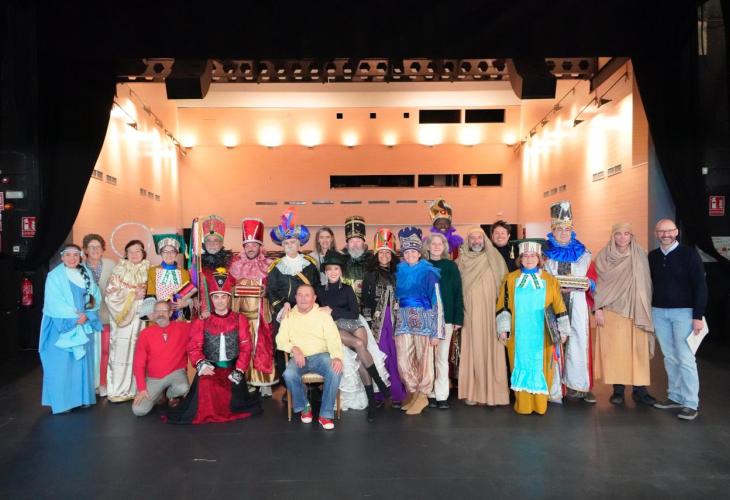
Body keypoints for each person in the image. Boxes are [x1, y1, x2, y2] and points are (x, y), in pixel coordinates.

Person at [165, 269, 260, 424]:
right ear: (211, 298)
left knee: (234, 395)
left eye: (223, 296)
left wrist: (239, 370)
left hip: (233, 369)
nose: (220, 301)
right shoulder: (202, 321)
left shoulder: (239, 319)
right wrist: (202, 365)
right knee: (206, 385)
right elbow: (193, 346)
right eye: (216, 297)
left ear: (228, 298)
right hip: (210, 368)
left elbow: (245, 348)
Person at [496, 240, 570, 415]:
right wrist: (503, 328)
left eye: (533, 256)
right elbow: (503, 304)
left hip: (543, 335)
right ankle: (523, 405)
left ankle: (540, 405)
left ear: (539, 258)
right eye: (525, 256)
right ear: (520, 259)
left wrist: (563, 330)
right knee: (519, 364)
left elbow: (559, 305)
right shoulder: (510, 279)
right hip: (518, 335)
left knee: (542, 368)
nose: (529, 259)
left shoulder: (550, 280)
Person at [317, 250, 391, 422]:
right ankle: (379, 384)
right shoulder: (319, 290)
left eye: (336, 268)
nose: (333, 272)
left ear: (341, 271)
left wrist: (332, 310)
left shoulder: (347, 288)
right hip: (335, 327)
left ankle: (372, 403)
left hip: (354, 323)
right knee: (358, 344)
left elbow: (354, 313)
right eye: (329, 269)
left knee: (361, 355)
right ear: (325, 272)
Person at [649, 219, 708, 421]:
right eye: (661, 231)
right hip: (659, 313)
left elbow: (700, 285)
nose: (665, 234)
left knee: (685, 358)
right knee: (669, 357)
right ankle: (675, 396)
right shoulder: (653, 256)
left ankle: (690, 402)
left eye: (669, 231)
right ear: (656, 234)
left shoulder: (689, 255)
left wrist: (697, 316)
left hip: (684, 313)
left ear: (676, 232)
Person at [593, 222, 657, 406]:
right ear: (612, 236)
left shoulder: (641, 254)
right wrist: (597, 309)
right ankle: (618, 390)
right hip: (612, 310)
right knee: (616, 352)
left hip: (637, 310)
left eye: (626, 234)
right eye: (618, 234)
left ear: (631, 236)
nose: (622, 237)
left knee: (638, 350)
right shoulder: (603, 256)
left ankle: (640, 390)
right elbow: (596, 285)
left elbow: (647, 282)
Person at [543, 201, 597, 404]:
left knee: (578, 342)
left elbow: (593, 278)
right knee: (553, 341)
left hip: (578, 304)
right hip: (551, 304)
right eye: (559, 229)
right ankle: (555, 386)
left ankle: (578, 387)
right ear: (553, 231)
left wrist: (587, 284)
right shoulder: (544, 253)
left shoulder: (584, 253)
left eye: (567, 229)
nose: (563, 233)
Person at [39, 243, 102, 414]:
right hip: (62, 326)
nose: (72, 258)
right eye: (68, 255)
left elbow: (95, 296)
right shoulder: (54, 276)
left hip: (83, 322)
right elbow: (54, 303)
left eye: (75, 255)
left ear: (80, 257)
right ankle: (63, 402)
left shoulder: (85, 272)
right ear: (62, 257)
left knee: (80, 363)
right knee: (62, 364)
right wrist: (76, 318)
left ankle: (81, 399)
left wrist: (87, 315)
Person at [277, 284, 344, 430]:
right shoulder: (288, 316)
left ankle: (325, 414)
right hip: (300, 358)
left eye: (307, 295)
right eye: (300, 295)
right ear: (295, 297)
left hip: (321, 356)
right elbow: (280, 340)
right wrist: (294, 348)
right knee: (289, 374)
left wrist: (337, 357)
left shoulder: (323, 315)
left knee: (336, 370)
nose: (303, 298)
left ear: (314, 298)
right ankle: (304, 406)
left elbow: (333, 338)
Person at [394, 226, 445, 415]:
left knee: (425, 360)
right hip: (403, 322)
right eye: (406, 252)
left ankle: (423, 394)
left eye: (413, 252)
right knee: (403, 361)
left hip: (424, 321)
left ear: (419, 253)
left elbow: (437, 302)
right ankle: (414, 391)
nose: (410, 255)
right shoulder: (399, 272)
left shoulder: (429, 273)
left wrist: (436, 332)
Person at [456, 227, 509, 407]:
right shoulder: (461, 261)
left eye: (479, 237)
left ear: (485, 239)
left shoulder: (495, 257)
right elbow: (456, 289)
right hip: (470, 313)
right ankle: (473, 392)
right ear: (468, 241)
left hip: (492, 312)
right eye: (472, 238)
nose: (476, 241)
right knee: (472, 350)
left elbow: (505, 285)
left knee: (493, 349)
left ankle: (494, 394)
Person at [267, 209, 320, 376]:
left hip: (307, 312)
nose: (290, 246)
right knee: (283, 347)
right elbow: (271, 291)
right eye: (286, 243)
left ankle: (312, 384)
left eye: (293, 242)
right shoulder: (276, 266)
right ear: (283, 246)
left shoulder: (309, 264)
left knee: (309, 345)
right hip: (285, 312)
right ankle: (287, 381)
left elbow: (316, 287)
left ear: (299, 244)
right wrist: (281, 307)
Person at [229, 218, 276, 397]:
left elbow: (275, 289)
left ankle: (264, 382)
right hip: (241, 316)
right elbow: (227, 288)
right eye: (247, 245)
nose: (250, 248)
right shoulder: (235, 266)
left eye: (254, 245)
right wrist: (233, 291)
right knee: (244, 348)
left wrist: (267, 291)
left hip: (260, 316)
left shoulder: (268, 265)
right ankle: (247, 380)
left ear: (259, 246)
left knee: (262, 348)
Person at [362, 228, 407, 408]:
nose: (384, 256)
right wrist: (367, 322)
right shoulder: (369, 275)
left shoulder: (399, 274)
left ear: (392, 255)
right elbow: (365, 301)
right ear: (376, 254)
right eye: (381, 252)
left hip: (397, 321)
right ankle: (379, 395)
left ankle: (397, 394)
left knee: (396, 357)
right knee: (379, 356)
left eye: (387, 253)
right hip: (377, 323)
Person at [104, 240, 150, 403]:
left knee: (141, 352)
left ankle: (139, 388)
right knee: (121, 352)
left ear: (143, 253)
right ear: (126, 254)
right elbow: (110, 295)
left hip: (143, 319)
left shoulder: (149, 270)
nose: (134, 254)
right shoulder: (118, 271)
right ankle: (118, 390)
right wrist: (132, 295)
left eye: (138, 251)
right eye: (131, 251)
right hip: (123, 319)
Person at [423, 232, 464, 409]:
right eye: (433, 243)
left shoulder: (450, 266)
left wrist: (458, 318)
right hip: (426, 319)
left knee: (441, 357)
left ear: (444, 247)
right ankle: (429, 393)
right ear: (428, 246)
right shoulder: (422, 265)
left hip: (446, 318)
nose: (436, 246)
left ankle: (441, 395)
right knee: (428, 358)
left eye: (440, 243)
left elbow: (457, 292)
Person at [131, 301, 190, 416]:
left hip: (175, 373)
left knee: (183, 388)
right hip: (154, 377)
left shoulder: (182, 328)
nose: (160, 314)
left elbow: (201, 324)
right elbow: (139, 363)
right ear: (153, 314)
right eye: (157, 311)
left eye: (164, 311)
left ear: (170, 313)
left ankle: (170, 395)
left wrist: (188, 305)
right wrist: (142, 389)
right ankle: (159, 395)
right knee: (138, 410)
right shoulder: (145, 334)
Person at [82, 233, 116, 397]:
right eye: (91, 247)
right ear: (85, 250)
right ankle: (90, 385)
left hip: (107, 316)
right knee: (89, 353)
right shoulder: (79, 267)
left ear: (103, 249)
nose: (95, 250)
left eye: (98, 247)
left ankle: (103, 383)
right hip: (87, 319)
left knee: (105, 352)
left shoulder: (111, 265)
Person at [146, 234, 196, 320]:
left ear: (176, 253)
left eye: (172, 251)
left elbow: (188, 296)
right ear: (160, 253)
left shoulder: (184, 273)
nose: (169, 254)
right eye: (165, 251)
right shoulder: (152, 271)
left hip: (178, 316)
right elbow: (150, 296)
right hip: (159, 315)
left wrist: (185, 303)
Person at [198, 214, 233, 318]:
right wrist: (194, 299)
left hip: (227, 315)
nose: (212, 244)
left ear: (221, 243)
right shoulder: (197, 264)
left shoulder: (232, 263)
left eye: (216, 240)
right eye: (208, 240)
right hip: (204, 315)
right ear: (204, 243)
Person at [341, 215, 372, 304]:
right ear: (347, 244)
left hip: (368, 306)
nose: (355, 244)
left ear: (363, 242)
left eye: (358, 240)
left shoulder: (372, 261)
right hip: (345, 307)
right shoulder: (339, 261)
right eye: (351, 241)